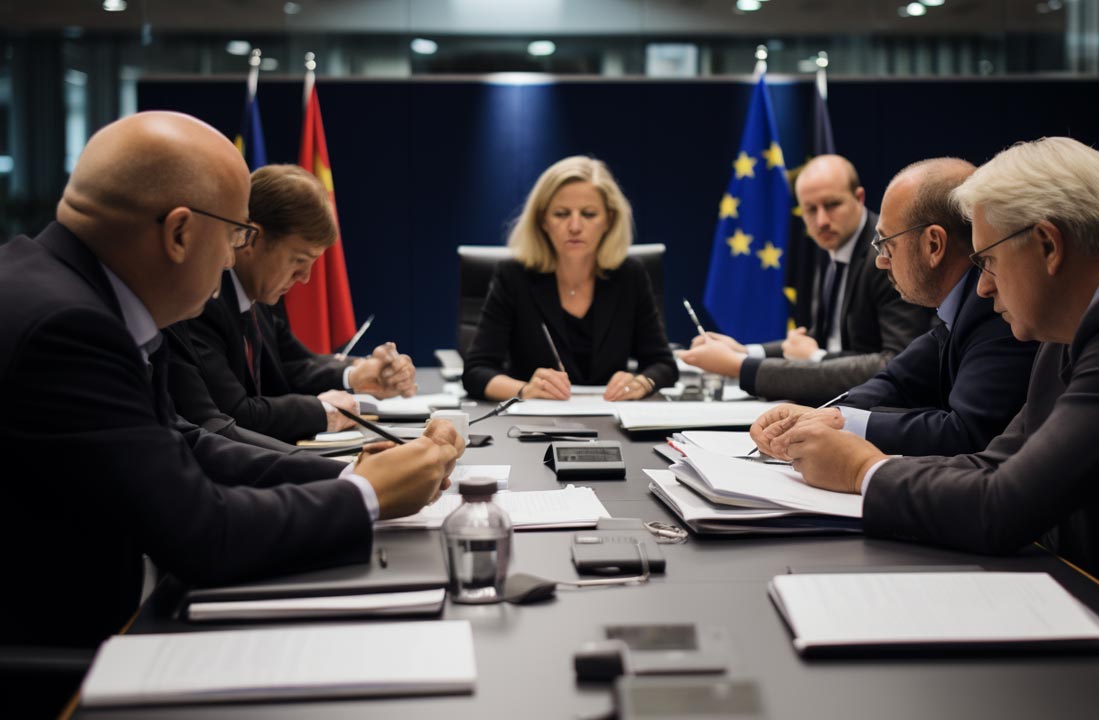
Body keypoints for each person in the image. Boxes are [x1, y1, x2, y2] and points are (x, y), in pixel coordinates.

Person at [756, 137, 1099, 630]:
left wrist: (862, 469)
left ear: (1048, 245)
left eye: (986, 261)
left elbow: (1003, 505)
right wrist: (865, 461)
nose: (982, 285)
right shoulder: (1075, 320)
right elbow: (997, 462)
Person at [0, 112, 464, 656]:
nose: (230, 258)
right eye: (236, 234)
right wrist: (367, 495)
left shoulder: (74, 294)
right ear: (179, 233)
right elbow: (201, 534)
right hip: (58, 669)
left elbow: (185, 443)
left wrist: (348, 470)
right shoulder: (71, 330)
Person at [750, 158, 1037, 456]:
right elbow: (896, 381)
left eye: (887, 245)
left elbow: (966, 434)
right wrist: (820, 415)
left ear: (934, 245)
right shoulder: (957, 309)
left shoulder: (994, 308)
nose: (880, 261)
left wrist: (842, 426)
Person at [166, 164, 417, 443]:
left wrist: (358, 373)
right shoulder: (203, 302)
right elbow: (233, 414)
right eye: (299, 261)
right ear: (251, 239)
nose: (305, 278)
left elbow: (295, 364)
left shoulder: (258, 294)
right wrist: (322, 412)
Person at [679, 155, 933, 397]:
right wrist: (746, 351)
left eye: (832, 205)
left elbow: (898, 362)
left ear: (859, 198)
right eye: (810, 209)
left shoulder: (887, 255)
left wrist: (744, 365)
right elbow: (818, 339)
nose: (822, 220)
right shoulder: (831, 249)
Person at [463, 156, 676, 401]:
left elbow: (663, 364)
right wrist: (525, 390)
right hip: (533, 426)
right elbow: (476, 371)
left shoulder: (630, 275)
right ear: (543, 220)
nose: (575, 226)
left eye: (588, 214)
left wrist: (641, 383)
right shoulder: (514, 276)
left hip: (614, 420)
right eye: (562, 214)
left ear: (609, 219)